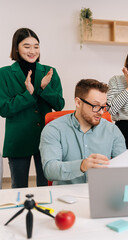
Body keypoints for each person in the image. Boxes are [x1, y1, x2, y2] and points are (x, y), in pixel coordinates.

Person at [39, 79, 128, 185]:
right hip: (66, 195)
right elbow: (50, 170)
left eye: (103, 106)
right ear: (78, 102)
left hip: (101, 191)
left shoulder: (112, 130)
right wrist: (81, 165)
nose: (101, 112)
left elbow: (121, 167)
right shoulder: (54, 129)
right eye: (96, 106)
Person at [0, 28, 65, 188]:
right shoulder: (4, 74)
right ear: (16, 48)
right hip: (18, 139)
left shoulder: (50, 72)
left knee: (46, 187)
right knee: (19, 188)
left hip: (47, 137)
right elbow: (4, 109)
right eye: (27, 46)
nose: (32, 51)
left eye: (36, 46)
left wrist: (44, 88)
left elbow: (59, 105)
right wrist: (27, 94)